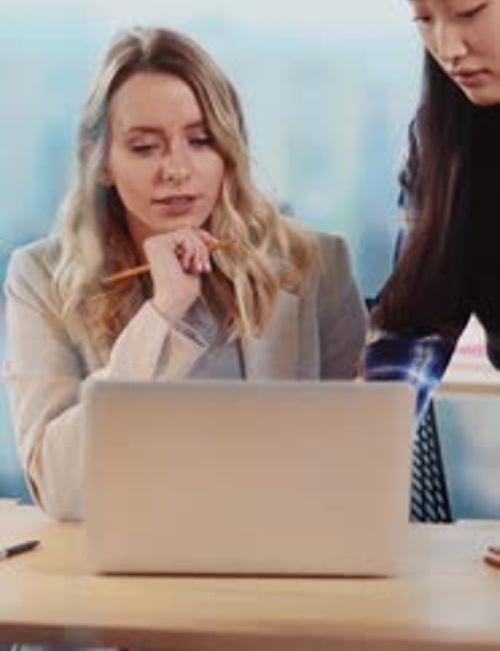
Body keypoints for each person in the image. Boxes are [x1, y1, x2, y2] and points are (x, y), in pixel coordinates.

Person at [4, 26, 367, 520]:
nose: (176, 169)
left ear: (229, 152)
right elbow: (61, 491)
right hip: (123, 564)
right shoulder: (39, 278)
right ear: (102, 161)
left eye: (200, 141)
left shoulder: (317, 266)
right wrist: (162, 316)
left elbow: (348, 464)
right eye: (145, 147)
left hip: (279, 554)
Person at [365, 0, 500, 417]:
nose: (447, 46)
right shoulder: (444, 144)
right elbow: (417, 326)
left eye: (469, 11)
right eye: (423, 17)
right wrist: (369, 435)